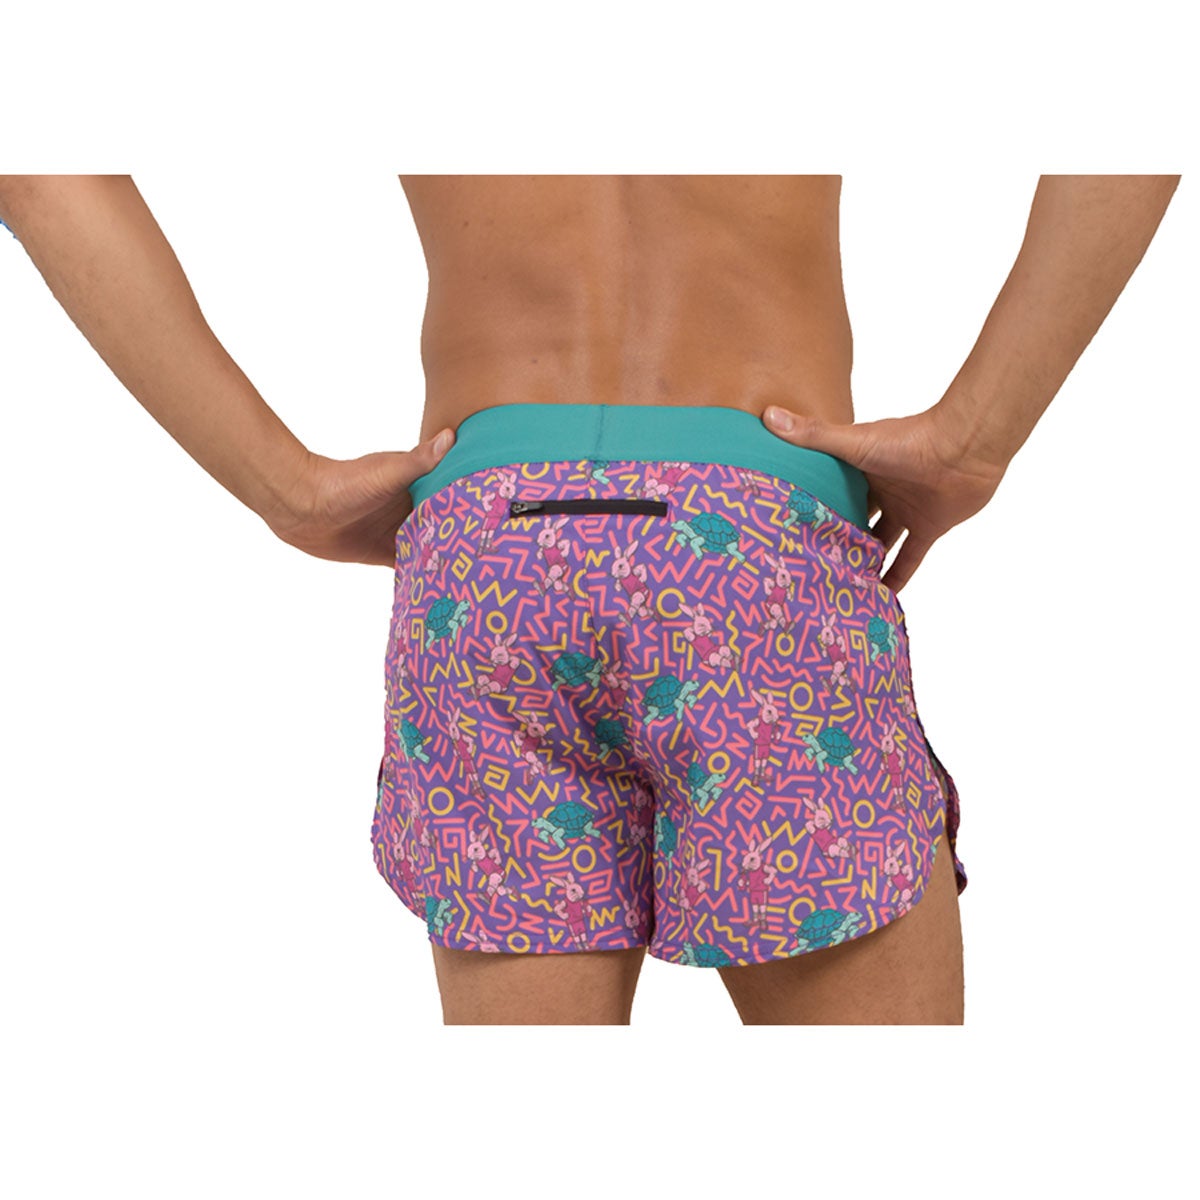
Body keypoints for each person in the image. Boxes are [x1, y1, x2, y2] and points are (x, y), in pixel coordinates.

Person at [0, 174, 1178, 1025]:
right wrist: (976, 436)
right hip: (750, 550)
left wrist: (282, 485)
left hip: (484, 556)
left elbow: (41, 167)